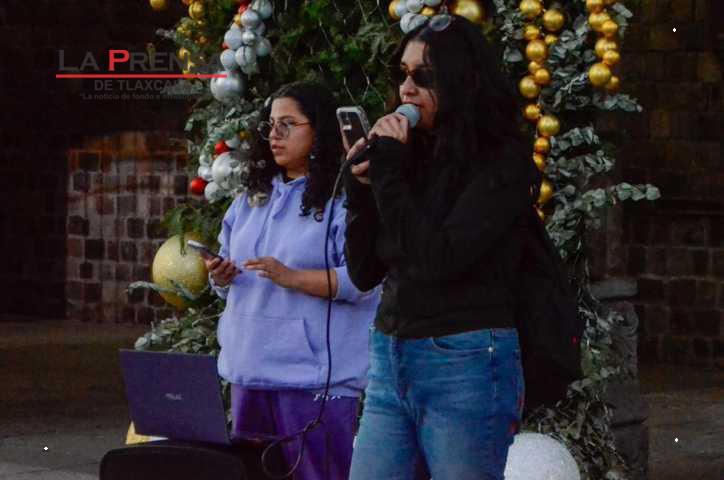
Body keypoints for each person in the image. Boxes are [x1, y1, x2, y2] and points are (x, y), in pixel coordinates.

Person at [343, 14, 540, 480]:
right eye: (402, 75)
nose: (407, 89)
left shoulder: (500, 161)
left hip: (464, 359)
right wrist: (361, 189)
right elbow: (364, 271)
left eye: (424, 77)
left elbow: (437, 258)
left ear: (460, 82)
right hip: (392, 353)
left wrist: (389, 177)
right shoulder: (407, 154)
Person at [203, 81, 380, 480]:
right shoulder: (250, 199)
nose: (275, 135)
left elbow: (363, 282)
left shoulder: (345, 200)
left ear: (319, 131)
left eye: (288, 124)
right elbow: (229, 278)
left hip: (313, 380)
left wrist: (292, 277)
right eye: (270, 125)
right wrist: (221, 276)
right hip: (248, 370)